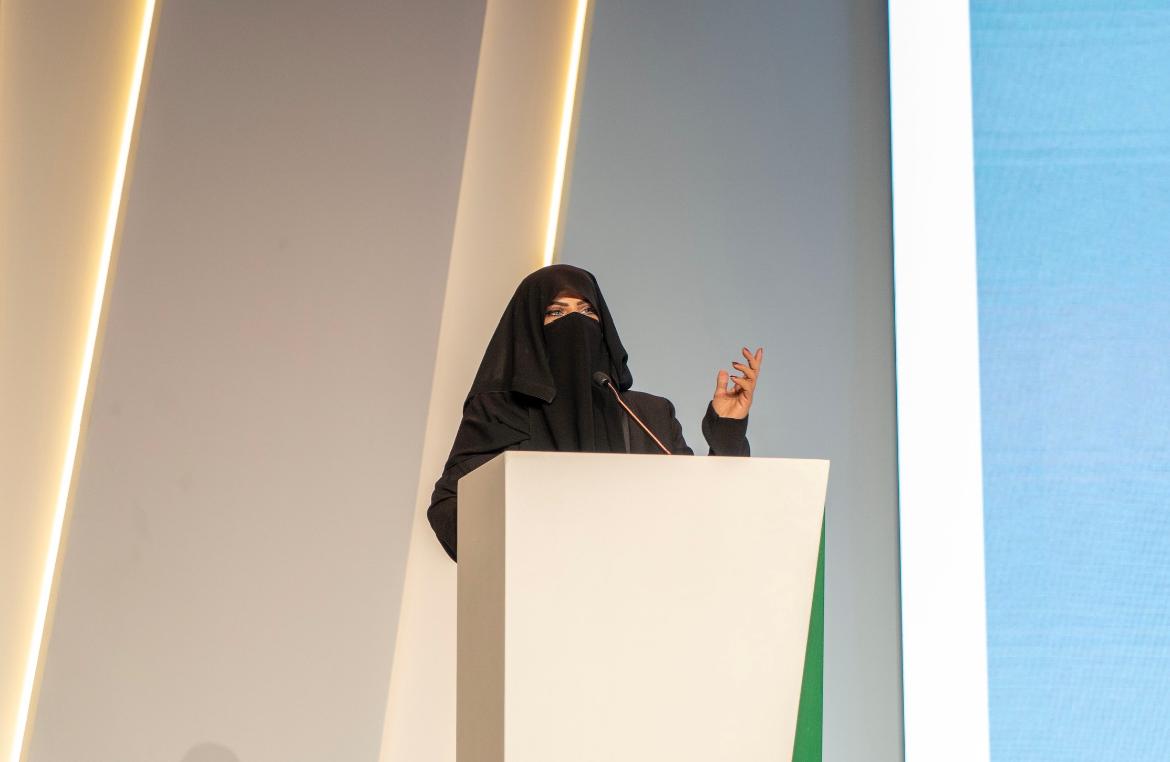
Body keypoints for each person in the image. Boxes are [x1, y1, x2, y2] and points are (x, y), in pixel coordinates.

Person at [426, 264, 763, 561]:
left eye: (587, 311)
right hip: (539, 597)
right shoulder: (501, 413)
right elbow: (449, 506)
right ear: (529, 332)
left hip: (646, 594)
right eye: (556, 313)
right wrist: (527, 539)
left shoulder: (647, 415)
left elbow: (701, 508)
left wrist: (728, 430)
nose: (575, 321)